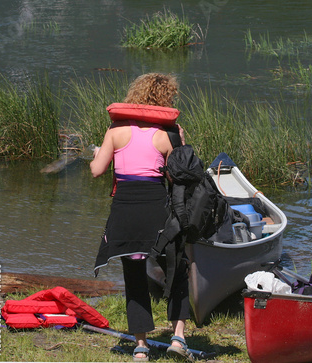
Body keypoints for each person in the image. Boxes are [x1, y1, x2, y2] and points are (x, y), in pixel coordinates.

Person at [91, 73, 192, 362]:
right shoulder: (170, 134)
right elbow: (178, 177)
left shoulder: (116, 131)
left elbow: (97, 170)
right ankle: (178, 338)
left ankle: (140, 346)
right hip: (157, 211)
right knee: (175, 271)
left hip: (124, 212)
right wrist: (179, 144)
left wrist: (96, 155)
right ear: (165, 100)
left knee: (134, 276)